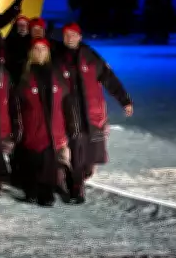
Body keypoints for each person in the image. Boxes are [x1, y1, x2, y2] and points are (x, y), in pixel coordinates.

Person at [53, 23, 133, 203]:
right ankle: (76, 189)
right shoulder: (58, 58)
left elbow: (109, 79)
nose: (70, 38)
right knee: (76, 150)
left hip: (91, 113)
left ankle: (77, 178)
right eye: (66, 35)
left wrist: (125, 100)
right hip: (69, 112)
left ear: (80, 37)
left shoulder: (91, 57)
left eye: (73, 35)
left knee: (89, 157)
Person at [10, 39, 70, 206]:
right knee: (31, 159)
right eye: (36, 49)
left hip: (52, 127)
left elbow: (66, 99)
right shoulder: (24, 75)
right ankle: (31, 191)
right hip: (31, 125)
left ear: (48, 52)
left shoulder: (56, 74)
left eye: (43, 49)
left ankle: (46, 194)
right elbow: (17, 101)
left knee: (48, 162)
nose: (40, 52)